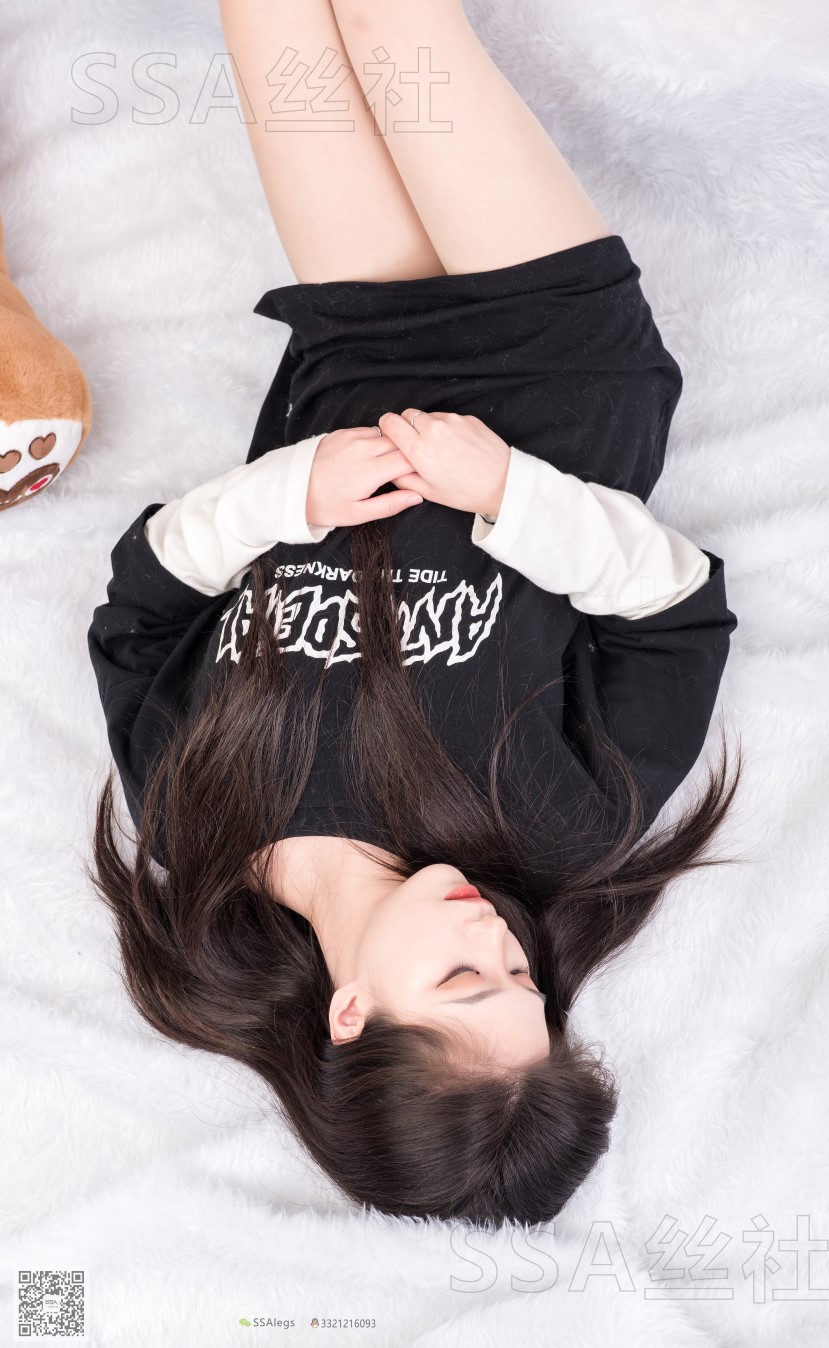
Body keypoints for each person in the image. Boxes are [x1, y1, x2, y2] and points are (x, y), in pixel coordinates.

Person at [85, 0, 743, 1227]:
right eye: (522, 976)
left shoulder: (196, 815)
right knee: (395, 25)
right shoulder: (559, 822)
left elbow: (137, 614)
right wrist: (508, 493)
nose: (494, 935)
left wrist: (288, 495)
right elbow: (680, 614)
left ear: (350, 1015)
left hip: (353, 358)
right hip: (554, 370)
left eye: (461, 977)